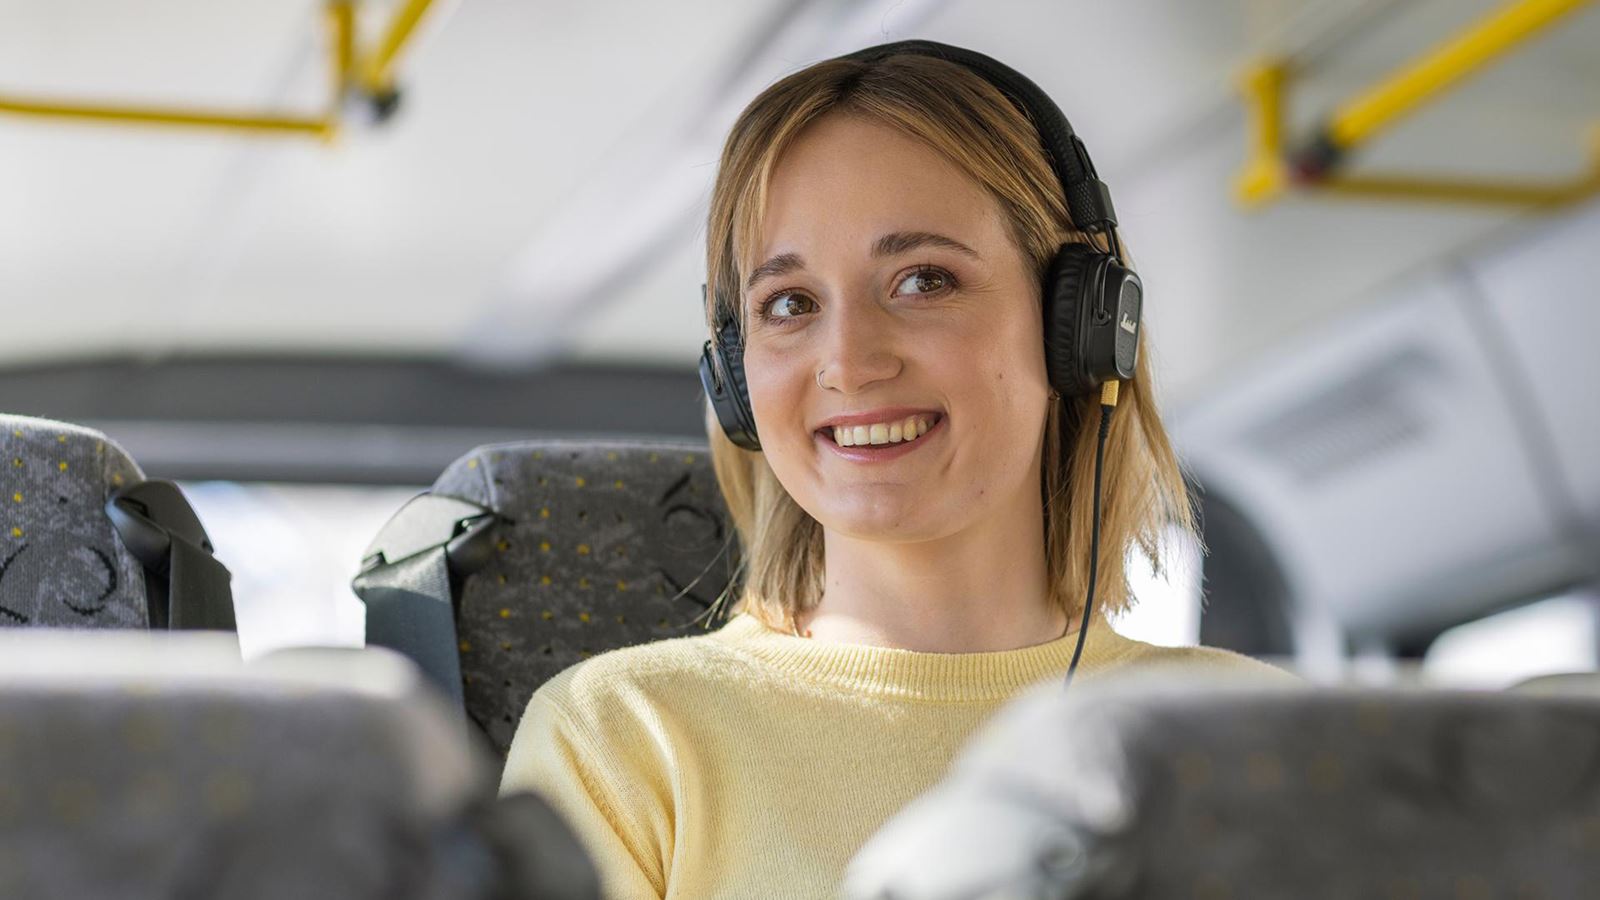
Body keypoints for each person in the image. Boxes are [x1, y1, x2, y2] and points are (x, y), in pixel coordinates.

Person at [500, 41, 1293, 900]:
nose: (849, 360)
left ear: (1077, 324)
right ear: (735, 376)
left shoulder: (1257, 737)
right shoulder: (623, 741)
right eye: (790, 304)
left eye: (923, 280)